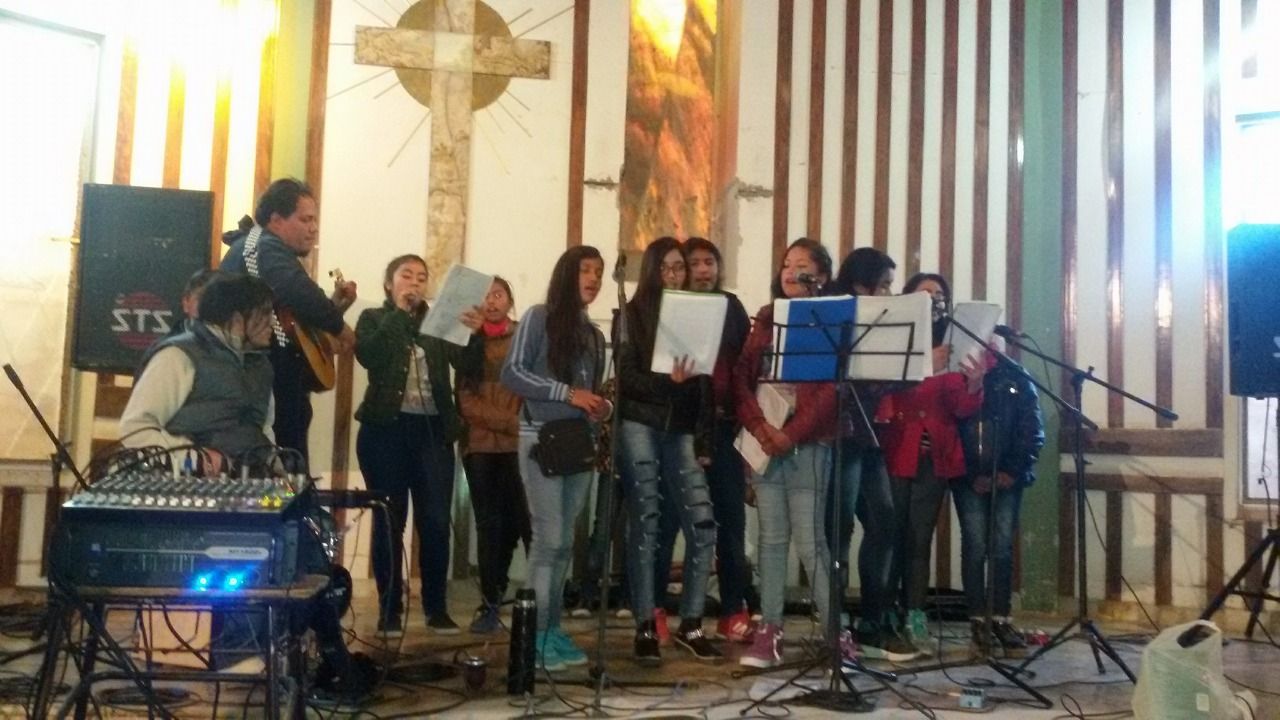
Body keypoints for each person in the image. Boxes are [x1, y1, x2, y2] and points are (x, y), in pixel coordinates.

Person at [734, 238, 855, 669]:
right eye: (786, 263)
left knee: (810, 541)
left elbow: (831, 391)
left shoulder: (829, 321)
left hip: (809, 444)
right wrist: (760, 428)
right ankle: (770, 630)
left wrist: (792, 434)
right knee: (771, 539)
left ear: (821, 277)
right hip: (766, 438)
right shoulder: (766, 319)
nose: (790, 271)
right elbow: (742, 380)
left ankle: (835, 633)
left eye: (801, 264)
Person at [353, 254, 481, 637]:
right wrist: (400, 313)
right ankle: (389, 609)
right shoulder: (374, 318)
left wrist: (474, 334)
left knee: (436, 521)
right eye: (406, 275)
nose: (414, 282)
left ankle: (436, 608)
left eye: (422, 277)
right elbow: (369, 356)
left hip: (432, 431)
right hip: (385, 431)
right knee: (389, 521)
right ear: (389, 283)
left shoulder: (441, 320)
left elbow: (469, 366)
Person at [501, 246, 611, 672]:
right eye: (586, 270)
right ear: (567, 274)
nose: (594, 279)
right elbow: (512, 372)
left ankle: (551, 628)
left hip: (578, 444)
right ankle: (533, 636)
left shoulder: (595, 335)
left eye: (599, 272)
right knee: (548, 541)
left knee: (565, 542)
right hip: (541, 440)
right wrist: (566, 393)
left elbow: (591, 393)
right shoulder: (538, 317)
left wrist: (602, 408)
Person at [615, 238, 720, 665]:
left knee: (703, 524)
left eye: (679, 268)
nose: (674, 275)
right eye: (666, 268)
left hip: (681, 428)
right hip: (640, 422)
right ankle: (645, 622)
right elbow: (625, 378)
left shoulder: (697, 312)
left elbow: (706, 384)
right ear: (652, 271)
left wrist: (705, 439)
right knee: (647, 520)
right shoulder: (630, 314)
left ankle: (691, 623)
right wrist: (667, 383)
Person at [877, 272, 985, 655]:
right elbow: (883, 389)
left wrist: (974, 384)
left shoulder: (951, 344)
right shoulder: (892, 337)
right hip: (895, 450)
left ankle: (915, 613)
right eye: (925, 293)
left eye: (940, 295)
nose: (934, 300)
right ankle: (882, 614)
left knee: (919, 540)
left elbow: (962, 408)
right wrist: (925, 363)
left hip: (934, 457)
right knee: (889, 536)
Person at [221, 178, 357, 470]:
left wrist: (333, 307)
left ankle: (291, 496)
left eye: (315, 220)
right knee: (279, 471)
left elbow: (288, 316)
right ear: (276, 220)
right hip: (261, 380)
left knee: (290, 466)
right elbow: (297, 290)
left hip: (277, 379)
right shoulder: (263, 246)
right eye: (305, 219)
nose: (314, 228)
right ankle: (286, 499)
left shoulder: (266, 250)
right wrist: (341, 328)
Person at [828, 247, 920, 661]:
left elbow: (888, 383)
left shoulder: (885, 322)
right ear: (860, 285)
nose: (888, 293)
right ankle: (834, 627)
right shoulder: (835, 316)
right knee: (839, 530)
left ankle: (872, 620)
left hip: (867, 437)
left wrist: (920, 364)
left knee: (884, 521)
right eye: (883, 285)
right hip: (838, 436)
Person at [121, 273, 275, 470]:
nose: (272, 323)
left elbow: (265, 429)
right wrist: (197, 460)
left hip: (246, 480)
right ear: (237, 319)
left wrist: (276, 468)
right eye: (264, 315)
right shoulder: (178, 356)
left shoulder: (260, 365)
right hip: (184, 482)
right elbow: (134, 428)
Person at [682, 237, 754, 643]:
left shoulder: (732, 306)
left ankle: (732, 609)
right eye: (694, 263)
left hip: (726, 427)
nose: (703, 270)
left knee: (731, 520)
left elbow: (745, 366)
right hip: (683, 428)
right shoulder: (673, 305)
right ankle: (661, 613)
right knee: (677, 522)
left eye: (709, 261)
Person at [956, 345, 1044, 656]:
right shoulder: (958, 374)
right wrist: (971, 474)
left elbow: (1032, 429)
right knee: (975, 545)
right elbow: (952, 426)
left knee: (1002, 547)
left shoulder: (1017, 376)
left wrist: (1011, 470)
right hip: (968, 480)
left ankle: (1001, 619)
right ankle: (978, 621)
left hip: (1008, 478)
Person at [457, 277, 531, 634]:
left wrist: (519, 426)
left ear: (510, 301)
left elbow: (534, 390)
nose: (491, 301)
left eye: (498, 294)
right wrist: (512, 423)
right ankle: (489, 603)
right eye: (485, 296)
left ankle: (536, 603)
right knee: (489, 525)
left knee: (523, 522)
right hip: (480, 446)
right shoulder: (468, 340)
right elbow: (466, 401)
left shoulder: (526, 338)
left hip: (520, 447)